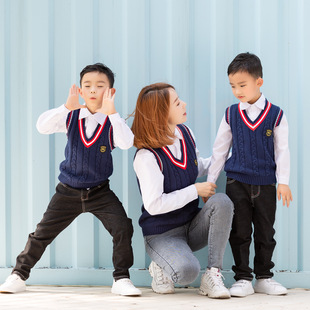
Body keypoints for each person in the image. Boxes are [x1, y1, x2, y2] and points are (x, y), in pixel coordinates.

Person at [0, 63, 141, 296]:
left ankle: (121, 278)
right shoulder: (71, 116)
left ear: (110, 91)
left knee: (122, 227)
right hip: (67, 191)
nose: (93, 90)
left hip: (100, 192)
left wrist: (112, 112)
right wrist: (67, 106)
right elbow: (41, 126)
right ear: (80, 90)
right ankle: (18, 275)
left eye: (100, 86)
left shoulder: (113, 122)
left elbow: (127, 143)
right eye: (87, 85)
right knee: (42, 233)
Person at [131, 83, 234, 299]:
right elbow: (154, 205)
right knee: (186, 272)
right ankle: (160, 264)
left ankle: (212, 275)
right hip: (162, 233)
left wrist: (229, 158)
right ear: (161, 113)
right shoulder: (146, 157)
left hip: (191, 226)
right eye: (177, 102)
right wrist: (195, 190)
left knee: (222, 202)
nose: (183, 104)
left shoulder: (185, 133)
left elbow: (196, 167)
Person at [207, 52, 293, 297]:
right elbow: (219, 150)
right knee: (239, 231)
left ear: (259, 82)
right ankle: (243, 277)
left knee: (266, 232)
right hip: (237, 182)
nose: (237, 91)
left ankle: (264, 277)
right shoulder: (231, 114)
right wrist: (211, 181)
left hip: (266, 184)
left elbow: (282, 150)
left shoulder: (276, 114)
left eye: (242, 85)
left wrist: (283, 182)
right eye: (233, 86)